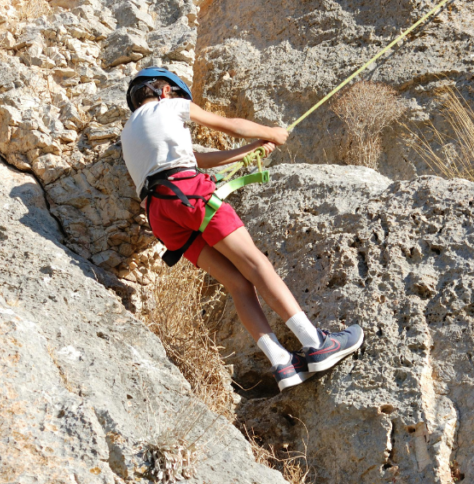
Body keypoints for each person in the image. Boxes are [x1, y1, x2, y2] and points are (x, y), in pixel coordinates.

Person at [120, 67, 364, 391]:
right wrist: (271, 133)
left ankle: (282, 363)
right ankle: (315, 343)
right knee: (255, 265)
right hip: (189, 193)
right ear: (165, 90)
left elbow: (198, 158)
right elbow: (230, 126)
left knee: (237, 283)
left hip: (161, 213)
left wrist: (254, 150)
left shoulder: (129, 132)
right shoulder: (169, 106)